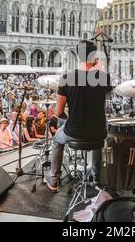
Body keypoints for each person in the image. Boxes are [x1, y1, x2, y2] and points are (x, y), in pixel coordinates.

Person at [45, 40, 113, 193]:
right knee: (97, 138)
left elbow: (58, 112)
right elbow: (103, 106)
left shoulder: (66, 78)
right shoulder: (104, 77)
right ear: (95, 57)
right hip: (98, 132)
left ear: (77, 56)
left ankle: (54, 180)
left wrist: (69, 118)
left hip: (74, 131)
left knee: (57, 140)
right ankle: (96, 179)